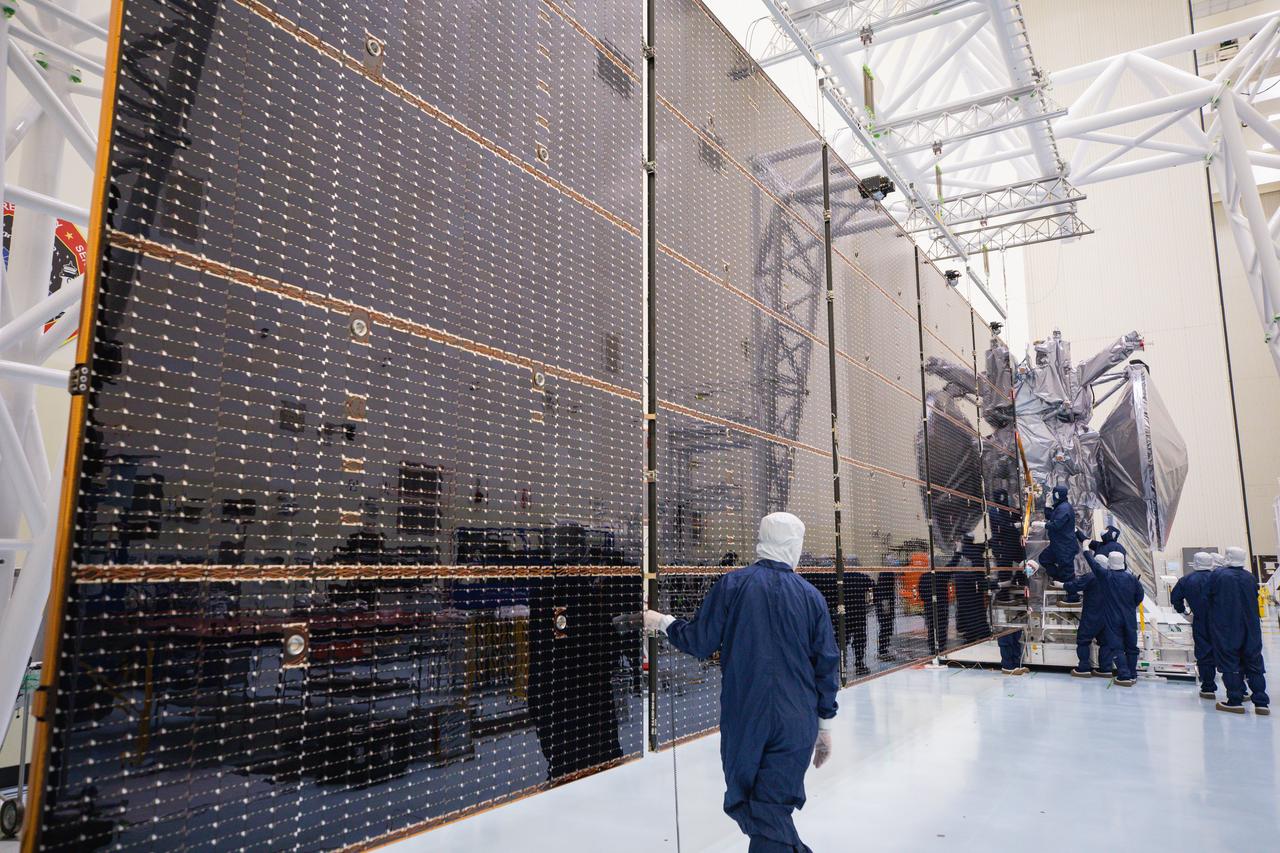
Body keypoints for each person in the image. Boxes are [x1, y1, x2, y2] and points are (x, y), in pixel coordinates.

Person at [644, 513, 840, 852]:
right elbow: (826, 664)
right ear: (795, 546)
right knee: (766, 810)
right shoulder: (812, 598)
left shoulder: (732, 586)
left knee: (753, 806)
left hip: (745, 718)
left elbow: (701, 641)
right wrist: (824, 726)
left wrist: (663, 622)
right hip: (797, 721)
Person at [1208, 546, 1270, 716]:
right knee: (1254, 662)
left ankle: (1235, 700)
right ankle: (1261, 702)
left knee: (1229, 662)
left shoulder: (1218, 576)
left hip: (1227, 626)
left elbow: (1207, 596)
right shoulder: (1250, 577)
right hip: (1251, 626)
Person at [1068, 550, 1143, 685]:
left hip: (1100, 616)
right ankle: (1117, 671)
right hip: (1122, 616)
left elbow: (1077, 584)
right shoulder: (1131, 578)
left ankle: (1088, 668)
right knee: (1118, 644)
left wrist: (1062, 585)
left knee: (1093, 642)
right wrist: (1129, 607)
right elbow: (1139, 596)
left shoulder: (1102, 577)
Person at [1170, 551, 1218, 699]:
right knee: (1229, 652)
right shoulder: (1220, 578)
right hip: (1222, 621)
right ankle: (1238, 690)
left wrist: (1183, 612)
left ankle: (1208, 687)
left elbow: (1175, 598)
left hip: (1200, 620)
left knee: (1204, 653)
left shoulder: (1186, 580)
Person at [1041, 485, 1081, 605]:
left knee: (1068, 572)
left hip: (1065, 547)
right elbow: (1051, 517)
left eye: (1053, 495)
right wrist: (1047, 506)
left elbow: (1056, 524)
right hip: (1057, 545)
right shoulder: (1060, 507)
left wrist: (1041, 525)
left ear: (1056, 495)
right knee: (1044, 558)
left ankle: (1073, 598)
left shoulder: (1064, 508)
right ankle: (1059, 580)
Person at [952, 535, 991, 642]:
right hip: (975, 585)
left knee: (964, 609)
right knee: (977, 609)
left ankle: (964, 630)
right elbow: (989, 544)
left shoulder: (960, 553)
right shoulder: (976, 549)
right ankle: (982, 633)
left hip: (963, 587)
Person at [846, 569, 874, 677]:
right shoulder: (862, 577)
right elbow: (871, 584)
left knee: (842, 641)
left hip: (845, 615)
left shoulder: (841, 577)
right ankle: (859, 664)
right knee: (859, 640)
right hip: (859, 615)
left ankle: (839, 666)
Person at [919, 568, 951, 656]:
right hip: (941, 606)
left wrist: (927, 600)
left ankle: (933, 647)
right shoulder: (941, 575)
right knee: (941, 626)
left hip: (929, 607)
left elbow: (921, 593)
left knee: (931, 627)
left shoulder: (924, 576)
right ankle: (941, 647)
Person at [873, 572, 897, 662]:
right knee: (886, 627)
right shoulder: (885, 591)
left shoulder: (880, 588)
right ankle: (883, 650)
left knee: (886, 627)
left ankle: (884, 649)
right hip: (885, 604)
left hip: (885, 604)